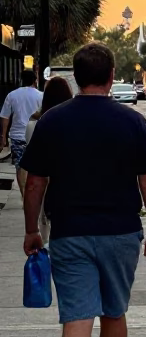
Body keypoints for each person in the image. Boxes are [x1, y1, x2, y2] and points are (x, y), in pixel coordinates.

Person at [21, 43, 146, 337]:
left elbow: (34, 183)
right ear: (111, 74)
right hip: (120, 231)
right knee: (114, 312)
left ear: (79, 77)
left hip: (69, 232)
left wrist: (33, 230)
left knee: (77, 319)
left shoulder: (53, 121)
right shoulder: (132, 121)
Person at [23, 76, 74, 243]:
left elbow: (33, 167)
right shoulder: (74, 121)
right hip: (68, 182)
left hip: (45, 178)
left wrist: (31, 231)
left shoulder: (36, 123)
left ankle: (46, 245)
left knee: (45, 220)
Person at [1, 70, 42, 197]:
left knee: (20, 166)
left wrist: (3, 137)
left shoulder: (12, 95)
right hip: (35, 136)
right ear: (35, 80)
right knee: (35, 167)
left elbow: (5, 117)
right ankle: (32, 194)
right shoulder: (41, 95)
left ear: (21, 80)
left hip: (17, 136)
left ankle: (24, 195)